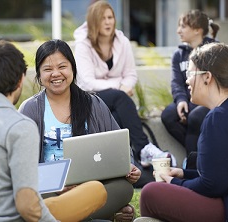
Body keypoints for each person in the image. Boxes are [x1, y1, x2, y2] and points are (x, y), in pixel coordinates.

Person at [0, 40, 107, 222]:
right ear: (21, 79)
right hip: (16, 217)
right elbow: (27, 206)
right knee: (96, 190)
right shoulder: (19, 126)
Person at [19, 39, 141, 221]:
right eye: (47, 69)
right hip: (50, 189)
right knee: (34, 197)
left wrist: (129, 166)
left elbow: (119, 148)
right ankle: (99, 214)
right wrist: (55, 186)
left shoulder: (93, 103)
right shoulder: (30, 109)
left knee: (123, 188)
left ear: (73, 68)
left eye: (62, 66)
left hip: (90, 186)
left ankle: (63, 216)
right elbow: (22, 167)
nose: (56, 74)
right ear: (38, 74)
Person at [73, 0, 175, 187]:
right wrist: (119, 86)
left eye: (110, 17)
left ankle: (126, 167)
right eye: (102, 18)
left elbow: (131, 75)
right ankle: (144, 148)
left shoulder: (123, 42)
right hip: (90, 99)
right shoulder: (83, 45)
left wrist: (122, 85)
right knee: (120, 97)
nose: (108, 22)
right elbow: (86, 82)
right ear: (93, 21)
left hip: (115, 103)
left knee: (116, 115)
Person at [139, 42, 228, 222]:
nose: (186, 80)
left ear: (207, 77)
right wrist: (184, 174)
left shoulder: (217, 118)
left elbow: (213, 185)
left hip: (226, 207)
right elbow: (222, 173)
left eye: (190, 73)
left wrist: (174, 182)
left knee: (151, 192)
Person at [161, 10, 220, 167]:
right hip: (188, 99)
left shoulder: (214, 50)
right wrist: (180, 100)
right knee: (168, 115)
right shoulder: (178, 55)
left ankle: (192, 163)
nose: (178, 30)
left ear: (197, 30)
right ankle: (198, 155)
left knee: (194, 117)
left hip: (209, 101)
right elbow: (177, 82)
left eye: (183, 26)